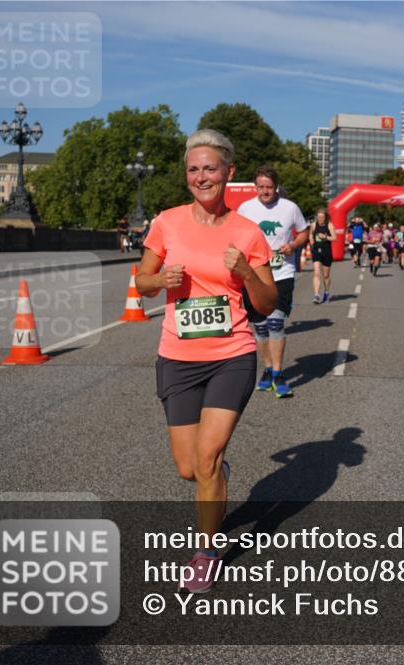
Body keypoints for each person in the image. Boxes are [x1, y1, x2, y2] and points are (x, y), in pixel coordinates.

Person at [137, 129, 276, 593]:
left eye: (210, 168)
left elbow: (269, 301)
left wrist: (243, 272)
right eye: (193, 169)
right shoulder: (167, 222)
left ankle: (206, 551)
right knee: (187, 466)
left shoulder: (247, 232)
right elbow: (141, 280)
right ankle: (214, 474)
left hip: (231, 354)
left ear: (228, 173)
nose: (201, 176)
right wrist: (159, 280)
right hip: (177, 356)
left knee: (207, 456)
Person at [237, 165, 309, 398]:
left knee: (276, 323)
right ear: (255, 186)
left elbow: (304, 232)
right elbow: (235, 234)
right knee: (260, 327)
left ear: (276, 186)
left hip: (282, 272)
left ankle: (278, 374)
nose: (265, 192)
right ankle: (267, 369)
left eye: (269, 187)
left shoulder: (290, 208)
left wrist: (293, 245)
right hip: (254, 275)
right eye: (260, 187)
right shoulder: (246, 208)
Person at [310, 208, 336, 304]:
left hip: (326, 251)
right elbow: (310, 235)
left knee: (326, 275)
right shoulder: (313, 225)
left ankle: (326, 292)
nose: (320, 219)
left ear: (325, 217)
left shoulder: (329, 225)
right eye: (319, 217)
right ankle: (316, 295)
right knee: (316, 272)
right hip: (316, 251)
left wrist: (325, 237)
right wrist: (312, 241)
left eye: (322, 217)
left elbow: (334, 238)